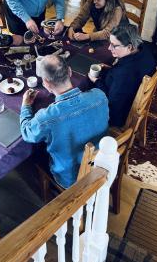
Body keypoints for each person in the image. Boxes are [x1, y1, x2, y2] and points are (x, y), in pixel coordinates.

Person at [20, 54, 109, 188]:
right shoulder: (99, 94)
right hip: (102, 164)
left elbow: (27, 133)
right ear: (69, 71)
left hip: (71, 179)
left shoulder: (45, 118)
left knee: (35, 157)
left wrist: (26, 105)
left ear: (46, 83)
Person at [88, 24, 156, 128]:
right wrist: (111, 70)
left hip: (118, 114)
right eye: (109, 43)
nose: (109, 48)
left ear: (129, 47)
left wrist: (96, 81)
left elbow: (111, 101)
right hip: (129, 93)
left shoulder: (124, 73)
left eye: (114, 45)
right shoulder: (144, 48)